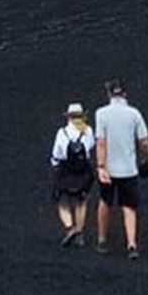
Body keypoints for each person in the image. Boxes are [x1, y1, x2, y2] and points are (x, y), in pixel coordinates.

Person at [95, 79, 148, 259]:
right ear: (125, 94)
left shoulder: (101, 114)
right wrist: (147, 158)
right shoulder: (134, 114)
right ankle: (131, 244)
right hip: (128, 170)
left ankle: (102, 240)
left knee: (105, 202)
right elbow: (144, 142)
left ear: (109, 94)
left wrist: (101, 166)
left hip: (108, 169)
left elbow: (101, 142)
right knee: (129, 207)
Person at [49, 102, 96, 247]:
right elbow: (91, 146)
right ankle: (79, 233)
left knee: (62, 201)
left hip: (65, 170)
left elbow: (56, 153)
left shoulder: (62, 132)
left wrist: (55, 167)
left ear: (68, 117)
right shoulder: (88, 131)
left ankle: (70, 228)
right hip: (82, 170)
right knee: (81, 201)